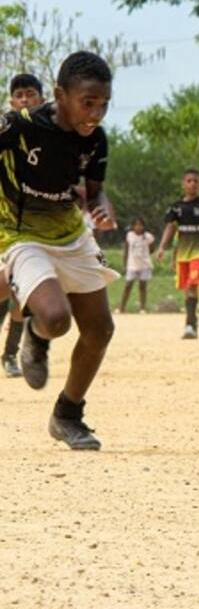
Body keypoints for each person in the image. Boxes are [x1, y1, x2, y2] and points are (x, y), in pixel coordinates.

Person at [0, 52, 120, 449]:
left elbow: (96, 192)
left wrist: (102, 209)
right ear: (60, 95)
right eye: (88, 102)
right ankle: (37, 332)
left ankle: (67, 415)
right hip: (21, 233)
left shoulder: (96, 139)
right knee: (55, 318)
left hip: (70, 233)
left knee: (100, 330)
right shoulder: (20, 126)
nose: (96, 113)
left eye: (104, 104)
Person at [0, 73, 45, 377]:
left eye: (30, 94)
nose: (25, 100)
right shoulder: (5, 131)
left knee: (20, 298)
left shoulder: (51, 134)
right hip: (4, 224)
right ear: (11, 101)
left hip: (33, 227)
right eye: (19, 95)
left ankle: (9, 355)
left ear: (42, 99)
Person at [157, 169, 199, 339]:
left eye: (195, 181)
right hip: (182, 254)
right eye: (189, 181)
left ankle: (189, 325)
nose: (192, 184)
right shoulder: (176, 207)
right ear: (183, 184)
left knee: (193, 284)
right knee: (187, 289)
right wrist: (162, 247)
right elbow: (170, 228)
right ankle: (193, 318)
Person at [119, 218, 156, 314]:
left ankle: (142, 308)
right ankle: (121, 307)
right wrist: (124, 264)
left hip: (144, 264)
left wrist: (144, 255)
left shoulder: (148, 237)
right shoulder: (130, 235)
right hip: (132, 264)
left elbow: (152, 249)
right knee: (128, 285)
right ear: (133, 226)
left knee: (142, 286)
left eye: (140, 225)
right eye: (136, 225)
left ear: (143, 226)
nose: (138, 227)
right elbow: (126, 250)